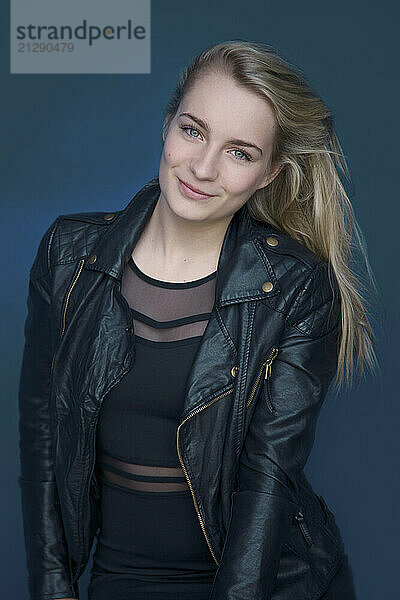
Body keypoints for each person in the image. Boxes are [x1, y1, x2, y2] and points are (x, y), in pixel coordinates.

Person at [18, 40, 377, 600]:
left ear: (267, 174)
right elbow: (42, 438)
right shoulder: (69, 256)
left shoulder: (295, 288)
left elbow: (268, 477)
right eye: (193, 131)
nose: (203, 168)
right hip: (121, 579)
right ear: (167, 125)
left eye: (240, 152)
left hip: (269, 584)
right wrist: (53, 588)